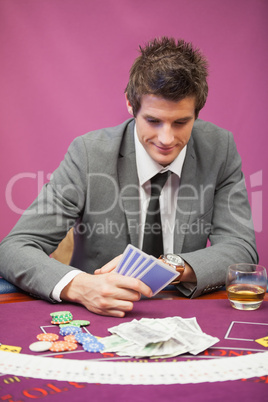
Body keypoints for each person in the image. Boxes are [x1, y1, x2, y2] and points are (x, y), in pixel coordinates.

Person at [0, 37, 258, 317]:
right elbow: (14, 248)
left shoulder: (220, 149)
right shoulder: (89, 154)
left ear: (197, 113)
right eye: (153, 121)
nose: (166, 138)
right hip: (99, 311)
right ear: (130, 106)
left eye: (181, 122)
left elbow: (240, 248)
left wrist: (167, 267)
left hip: (185, 312)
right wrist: (80, 285)